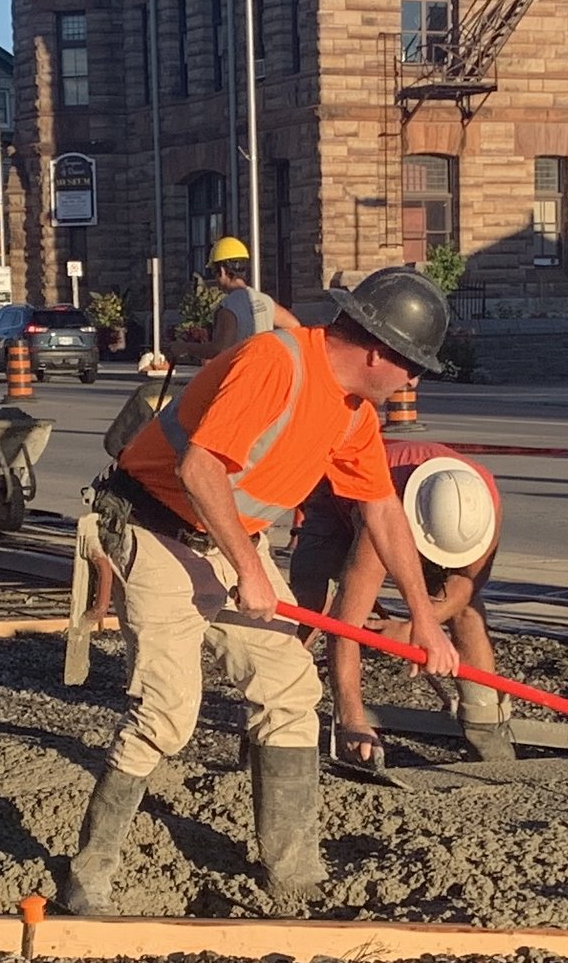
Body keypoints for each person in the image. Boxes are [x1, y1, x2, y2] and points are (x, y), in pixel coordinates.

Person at [59, 266, 460, 916]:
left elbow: (382, 512)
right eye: (411, 366)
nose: (413, 382)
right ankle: (88, 879)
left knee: (291, 689)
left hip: (225, 538)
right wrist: (249, 569)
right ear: (377, 349)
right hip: (154, 527)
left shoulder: (354, 415)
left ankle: (293, 876)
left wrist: (426, 619)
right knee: (167, 714)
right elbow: (199, 466)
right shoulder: (276, 361)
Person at [289, 444, 508, 769]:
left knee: (466, 611)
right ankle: (273, 726)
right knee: (312, 608)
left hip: (419, 506)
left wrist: (414, 627)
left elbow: (466, 586)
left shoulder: (483, 508)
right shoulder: (381, 522)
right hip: (337, 501)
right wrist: (353, 723)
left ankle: (487, 731)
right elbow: (344, 628)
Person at [185, 237, 276, 360]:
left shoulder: (229, 307)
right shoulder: (265, 300)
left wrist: (185, 347)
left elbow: (219, 349)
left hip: (241, 374)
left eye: (214, 272)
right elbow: (293, 325)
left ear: (222, 271)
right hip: (266, 372)